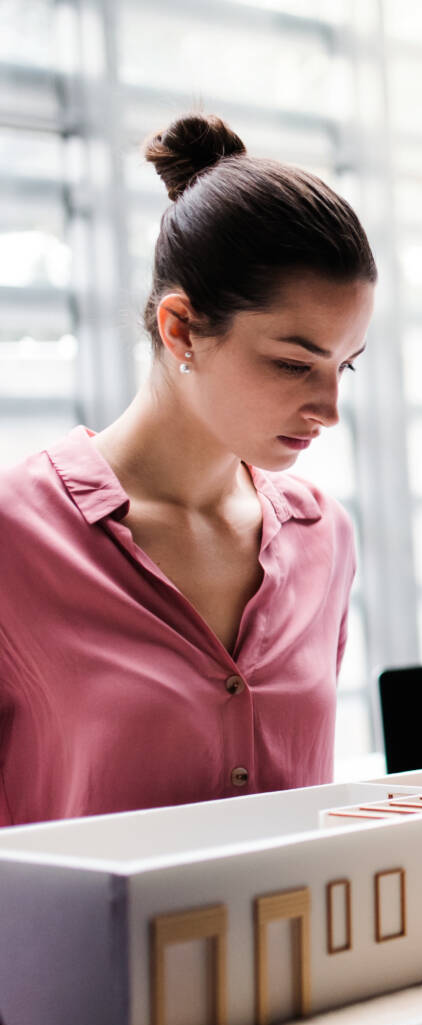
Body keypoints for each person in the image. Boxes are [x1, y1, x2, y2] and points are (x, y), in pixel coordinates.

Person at [0, 113, 375, 826]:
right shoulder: (14, 537)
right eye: (293, 363)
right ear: (181, 330)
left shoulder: (324, 537)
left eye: (343, 365)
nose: (328, 407)